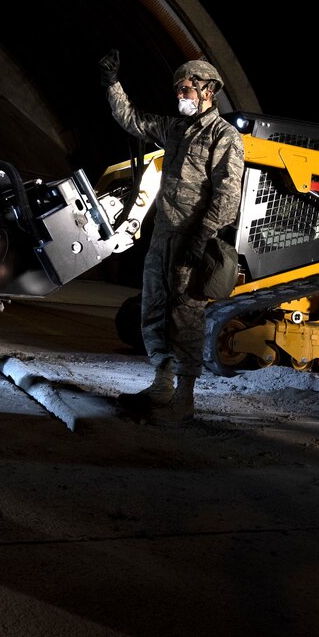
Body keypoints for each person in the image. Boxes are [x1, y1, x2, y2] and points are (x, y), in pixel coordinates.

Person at [99, 50, 246, 422]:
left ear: (207, 90)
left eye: (186, 89)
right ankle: (161, 386)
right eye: (178, 89)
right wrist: (113, 83)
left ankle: (185, 399)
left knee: (186, 317)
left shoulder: (223, 136)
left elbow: (228, 196)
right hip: (163, 237)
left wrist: (199, 240)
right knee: (155, 311)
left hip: (191, 241)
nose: (180, 94)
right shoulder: (176, 129)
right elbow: (131, 120)